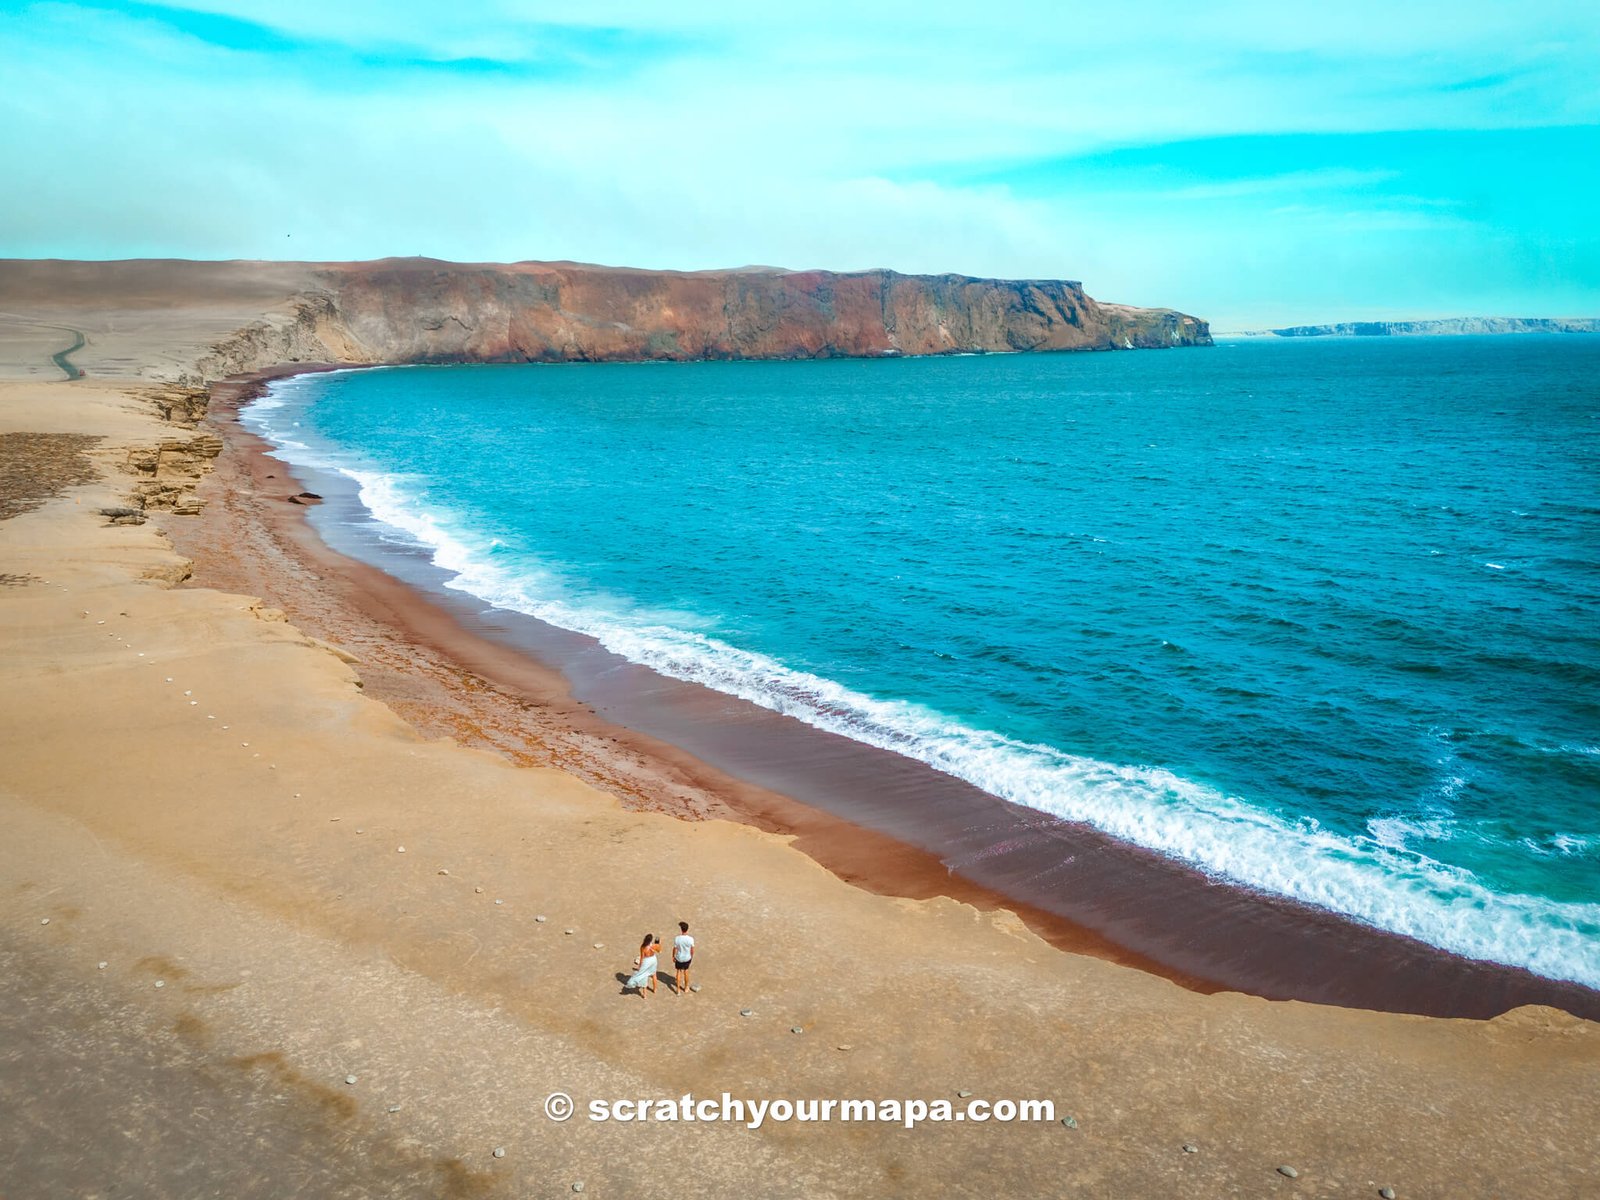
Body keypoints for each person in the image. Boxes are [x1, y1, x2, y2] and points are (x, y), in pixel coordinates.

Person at [627, 932, 660, 996]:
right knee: (654, 975)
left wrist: (639, 966)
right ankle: (655, 989)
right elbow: (658, 950)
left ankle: (644, 994)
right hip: (653, 960)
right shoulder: (653, 946)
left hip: (646, 961)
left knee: (644, 975)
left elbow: (642, 957)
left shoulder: (642, 947)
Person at [672, 921, 694, 994]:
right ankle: (686, 987)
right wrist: (691, 956)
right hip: (687, 958)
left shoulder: (677, 938)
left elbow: (675, 949)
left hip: (679, 957)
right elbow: (692, 950)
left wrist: (673, 956)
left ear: (681, 929)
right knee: (686, 972)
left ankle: (678, 990)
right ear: (687, 929)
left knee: (678, 972)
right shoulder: (691, 939)